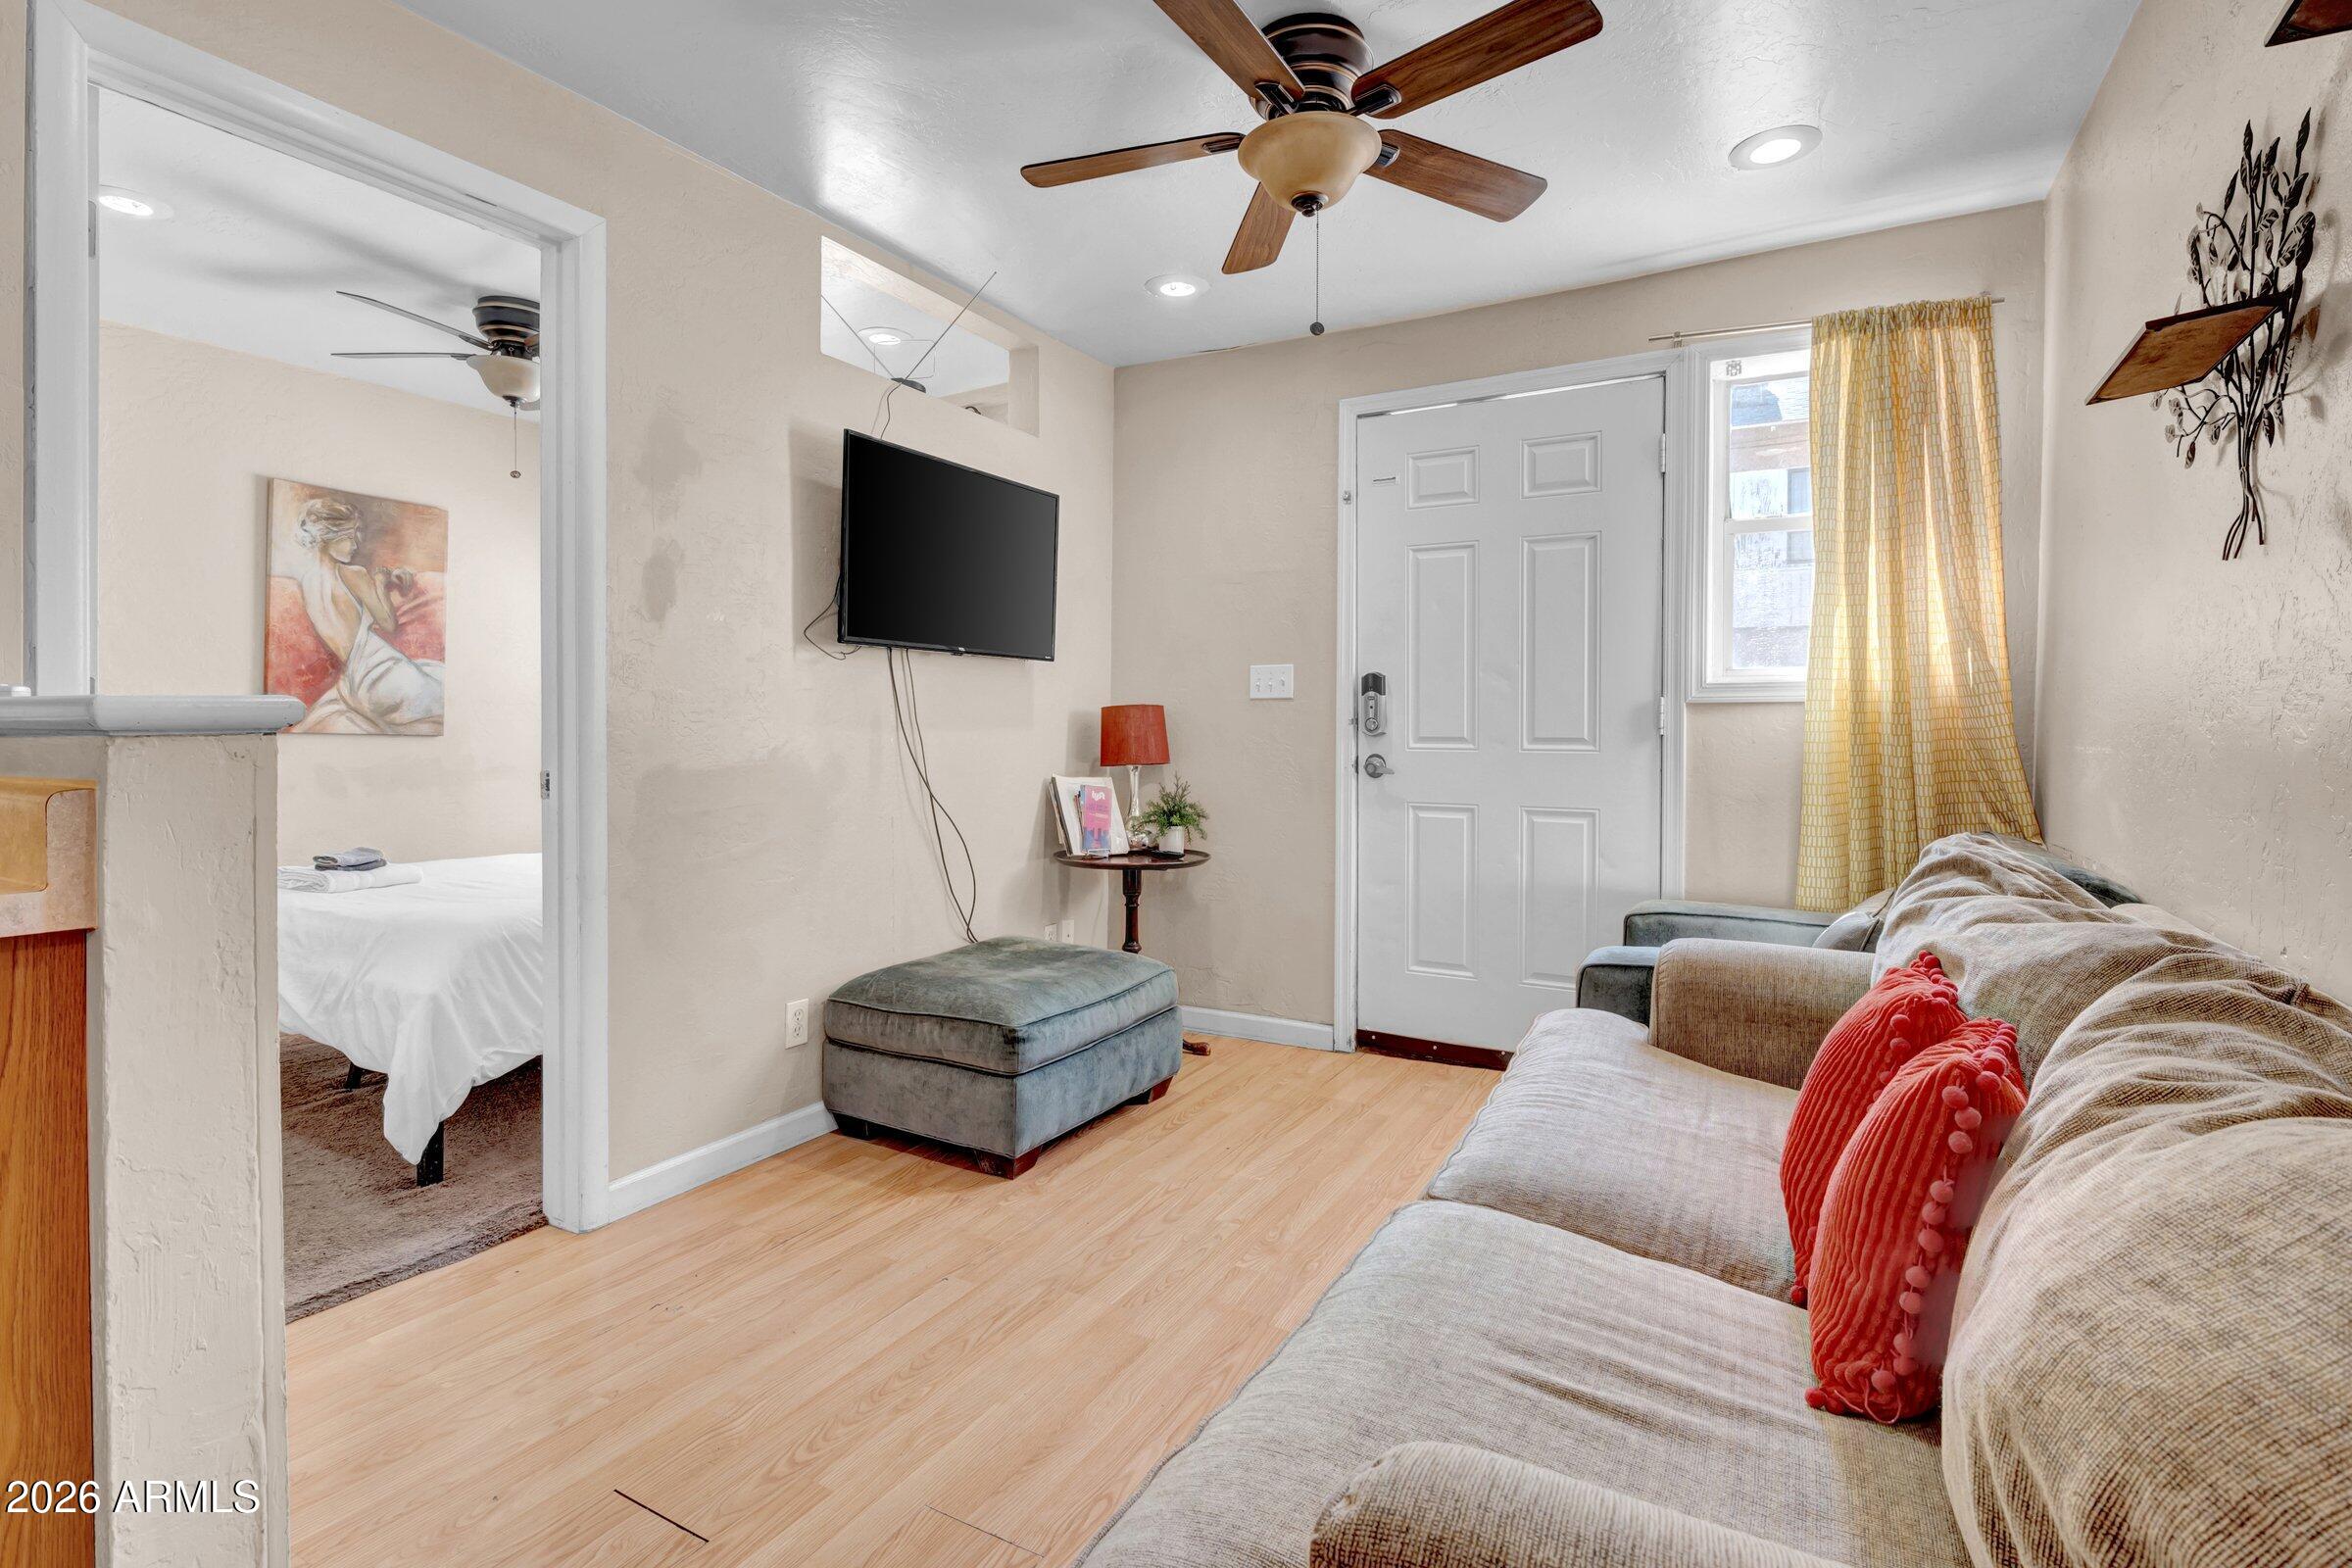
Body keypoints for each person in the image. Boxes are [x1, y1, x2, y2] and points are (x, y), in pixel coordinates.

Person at [285, 496, 445, 735]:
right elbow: (388, 624)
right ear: (329, 538)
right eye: (348, 537)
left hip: (357, 685)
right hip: (386, 673)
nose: (355, 545)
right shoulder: (355, 574)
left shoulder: (307, 581)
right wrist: (380, 583)